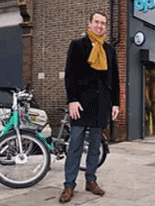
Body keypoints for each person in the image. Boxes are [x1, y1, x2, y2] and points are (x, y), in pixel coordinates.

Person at [59, 12, 120, 203]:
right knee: (75, 145)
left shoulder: (109, 50)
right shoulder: (77, 46)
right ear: (90, 24)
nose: (100, 26)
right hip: (81, 104)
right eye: (97, 22)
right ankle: (69, 185)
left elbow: (115, 79)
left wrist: (116, 103)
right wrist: (72, 100)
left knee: (95, 146)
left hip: (102, 104)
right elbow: (70, 75)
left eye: (103, 23)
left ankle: (91, 180)